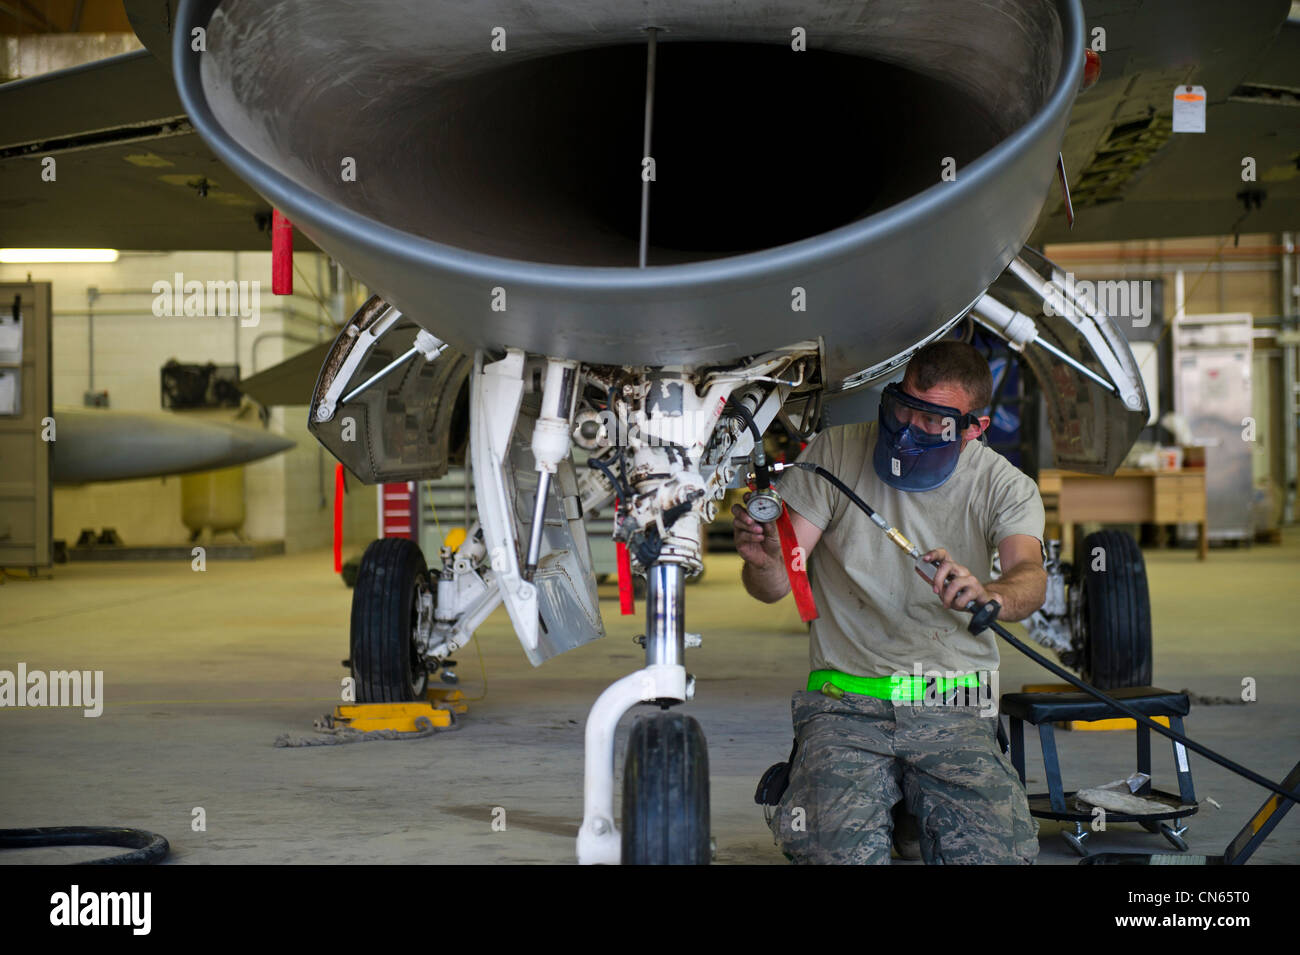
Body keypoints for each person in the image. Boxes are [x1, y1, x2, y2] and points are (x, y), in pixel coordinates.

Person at [733, 339, 1047, 864]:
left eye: (932, 421)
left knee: (999, 855)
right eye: (903, 406)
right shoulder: (833, 453)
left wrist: (989, 591)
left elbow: (1029, 577)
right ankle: (896, 808)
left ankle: (907, 808)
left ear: (975, 427)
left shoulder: (1003, 485)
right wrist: (763, 560)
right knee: (836, 853)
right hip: (845, 703)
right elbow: (774, 586)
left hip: (953, 700)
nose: (906, 429)